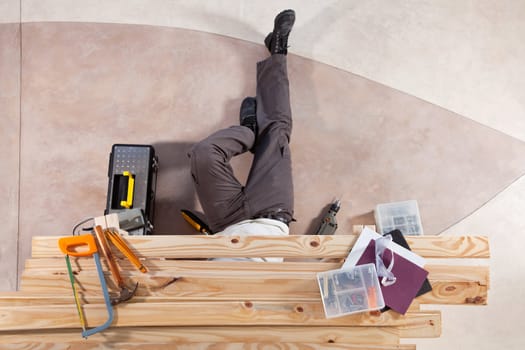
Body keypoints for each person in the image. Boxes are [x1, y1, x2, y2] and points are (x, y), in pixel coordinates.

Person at [187, 9, 296, 261]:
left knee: (204, 153)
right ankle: (278, 51)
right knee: (277, 131)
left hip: (227, 221)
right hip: (272, 216)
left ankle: (248, 130)